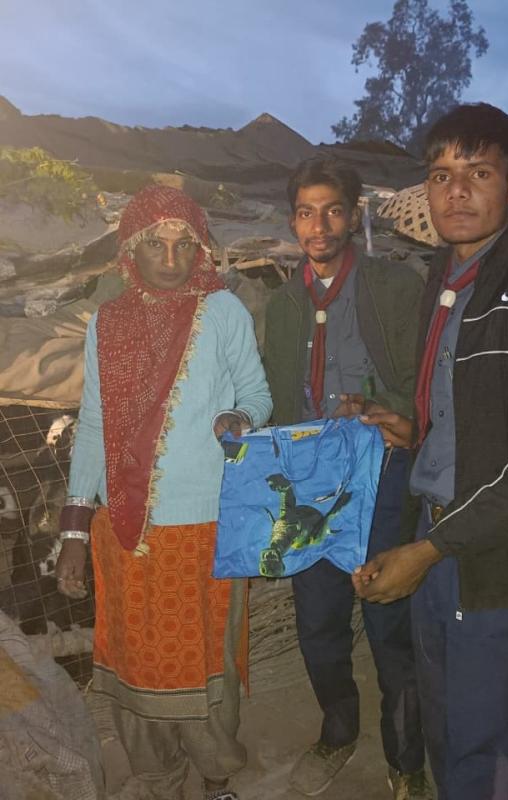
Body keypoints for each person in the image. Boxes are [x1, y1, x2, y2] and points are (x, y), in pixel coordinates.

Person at [353, 103, 508, 800]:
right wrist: (413, 429)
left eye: (479, 173)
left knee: (491, 747)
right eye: (441, 175)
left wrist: (430, 550)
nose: (456, 192)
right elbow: (468, 410)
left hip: (497, 557)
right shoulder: (443, 280)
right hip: (433, 530)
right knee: (444, 726)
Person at [55, 184, 273, 800]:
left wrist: (240, 417)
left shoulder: (222, 311)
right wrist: (74, 532)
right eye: (156, 244)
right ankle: (157, 778)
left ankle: (216, 778)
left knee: (207, 660)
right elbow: (93, 426)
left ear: (201, 250)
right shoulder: (108, 322)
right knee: (138, 659)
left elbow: (258, 394)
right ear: (131, 250)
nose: (171, 259)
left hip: (207, 526)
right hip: (127, 529)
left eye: (184, 245)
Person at [261, 157, 430, 799]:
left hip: (381, 473)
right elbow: (277, 395)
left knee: (390, 621)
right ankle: (337, 729)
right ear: (293, 221)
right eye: (306, 213)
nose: (319, 226)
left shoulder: (395, 287)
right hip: (311, 480)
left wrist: (395, 412)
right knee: (318, 620)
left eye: (332, 210)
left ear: (353, 215)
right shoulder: (281, 304)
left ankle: (406, 758)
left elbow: (426, 379)